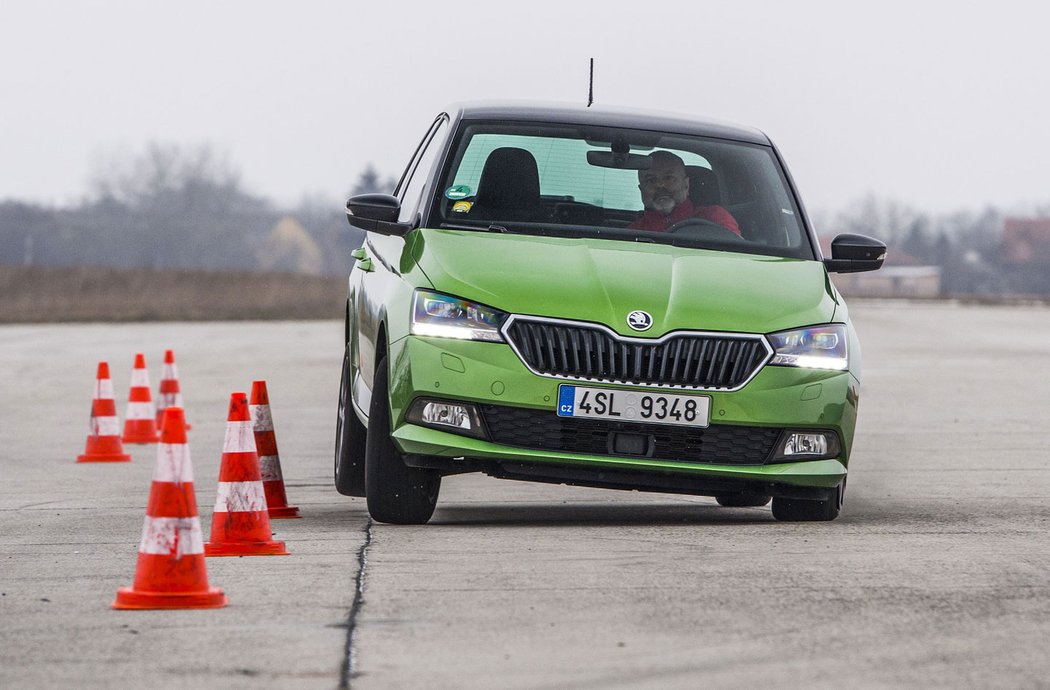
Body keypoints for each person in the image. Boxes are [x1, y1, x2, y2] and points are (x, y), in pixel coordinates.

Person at [628, 151, 741, 235]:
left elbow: (735, 258)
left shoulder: (714, 217)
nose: (660, 185)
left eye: (669, 178)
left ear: (686, 185)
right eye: (651, 180)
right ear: (641, 190)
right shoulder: (633, 232)